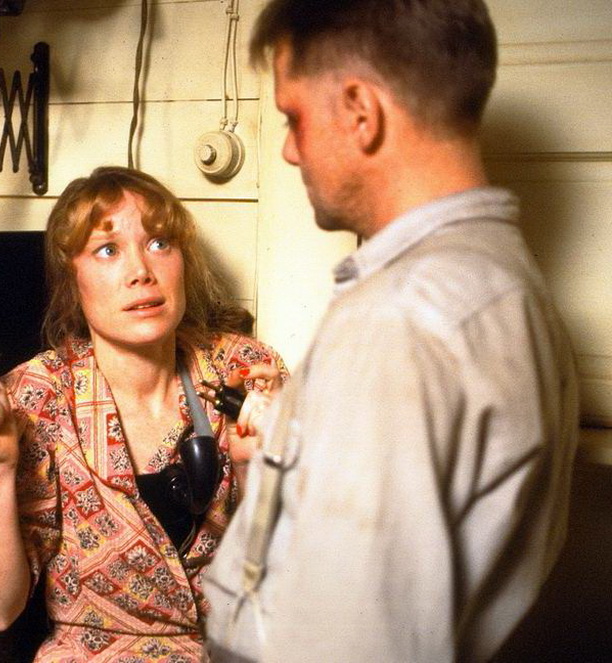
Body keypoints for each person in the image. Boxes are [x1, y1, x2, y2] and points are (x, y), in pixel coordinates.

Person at [203, 1, 580, 662]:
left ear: (360, 111)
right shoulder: (504, 281)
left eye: (294, 117)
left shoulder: (397, 319)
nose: (288, 149)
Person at [0, 166, 287, 661]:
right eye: (108, 250)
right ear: (73, 280)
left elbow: (296, 582)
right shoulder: (34, 397)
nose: (141, 271)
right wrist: (1, 466)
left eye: (159, 243)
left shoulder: (245, 371)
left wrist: (251, 467)